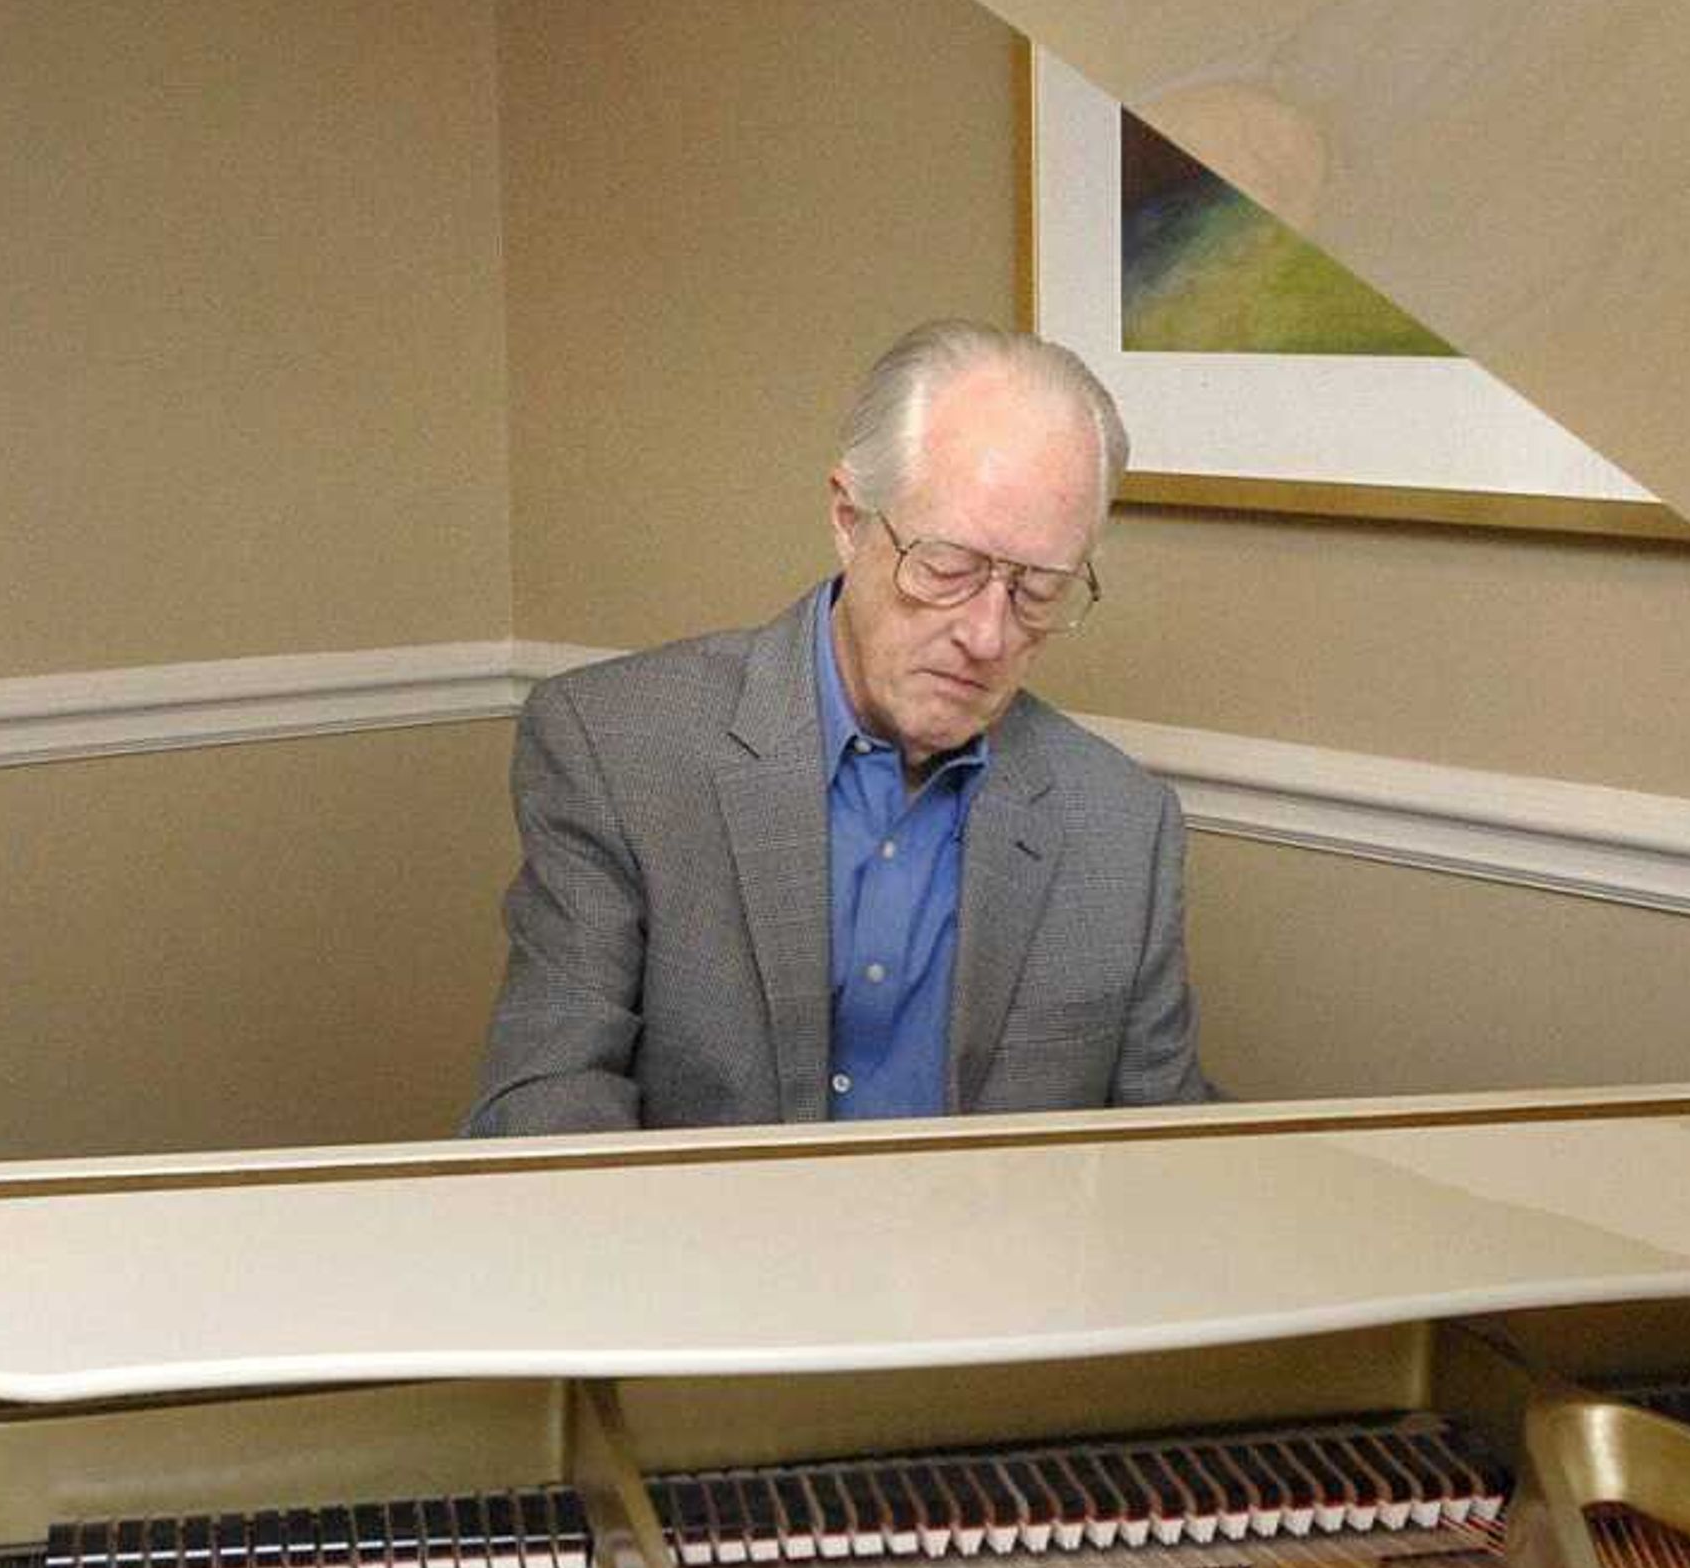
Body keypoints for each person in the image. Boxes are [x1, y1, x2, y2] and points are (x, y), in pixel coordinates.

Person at [464, 321, 1209, 1135]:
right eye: (948, 567)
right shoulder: (618, 749)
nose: (988, 636)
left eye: (1038, 590)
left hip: (993, 1255)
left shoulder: (1124, 825)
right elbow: (546, 1097)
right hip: (698, 1252)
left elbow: (1167, 1151)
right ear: (849, 519)